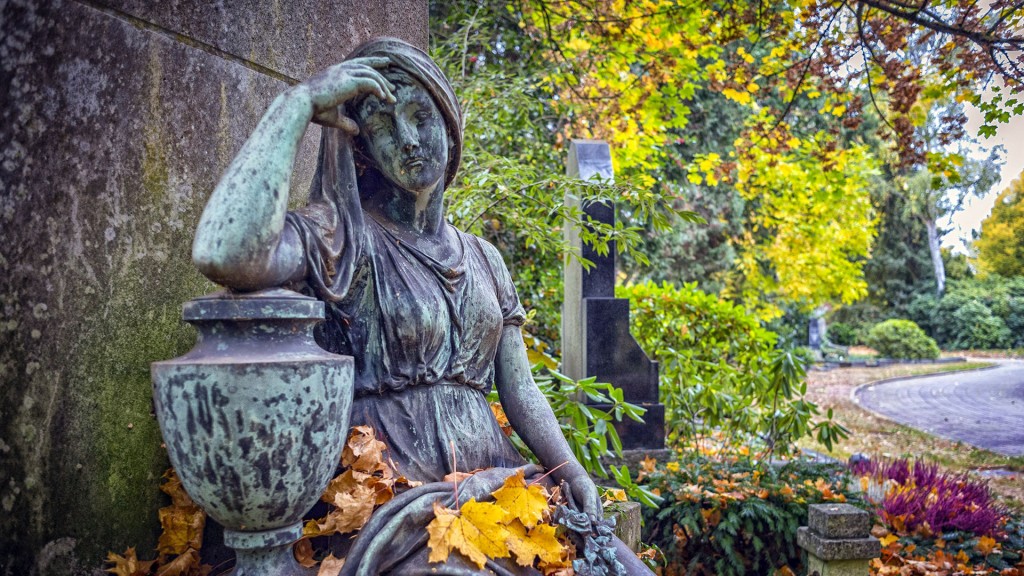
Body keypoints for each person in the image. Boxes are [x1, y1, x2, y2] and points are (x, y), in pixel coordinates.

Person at [192, 37, 650, 575]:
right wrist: (296, 104)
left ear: (450, 128)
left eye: (418, 116)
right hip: (396, 496)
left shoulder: (485, 258)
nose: (407, 140)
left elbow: (519, 390)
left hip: (498, 488)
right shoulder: (342, 237)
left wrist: (569, 467)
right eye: (384, 127)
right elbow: (224, 252)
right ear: (363, 147)